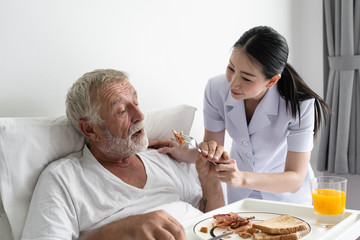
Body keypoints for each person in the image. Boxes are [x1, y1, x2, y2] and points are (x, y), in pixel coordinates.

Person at [21, 69, 224, 240]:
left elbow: (218, 223)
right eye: (121, 111)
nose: (140, 115)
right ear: (90, 130)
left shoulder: (162, 157)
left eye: (136, 102)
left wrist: (210, 182)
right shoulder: (64, 179)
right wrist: (119, 231)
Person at [153, 26, 331, 205]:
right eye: (231, 68)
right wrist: (184, 153)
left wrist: (242, 178)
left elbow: (295, 179)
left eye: (246, 78)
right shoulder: (216, 89)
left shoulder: (300, 104)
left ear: (271, 81)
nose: (233, 83)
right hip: (242, 196)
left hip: (287, 198)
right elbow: (213, 153)